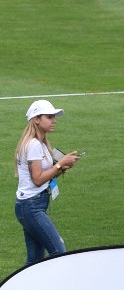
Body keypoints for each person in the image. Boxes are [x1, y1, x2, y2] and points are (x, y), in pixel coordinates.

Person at [15, 100, 79, 266]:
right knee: (59, 252)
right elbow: (37, 180)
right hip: (31, 206)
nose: (54, 120)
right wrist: (59, 164)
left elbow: (43, 174)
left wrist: (62, 166)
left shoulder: (40, 143)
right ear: (36, 119)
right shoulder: (34, 145)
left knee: (35, 261)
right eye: (49, 117)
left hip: (30, 205)